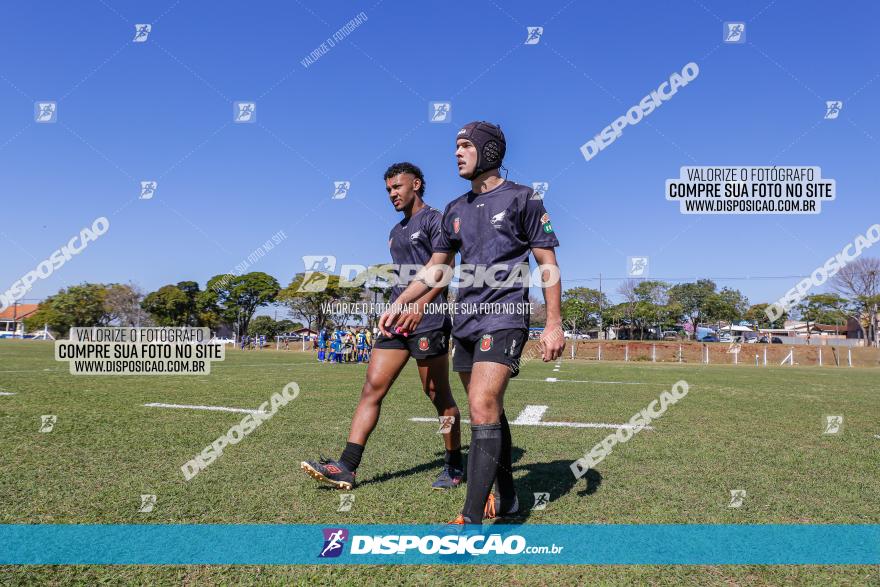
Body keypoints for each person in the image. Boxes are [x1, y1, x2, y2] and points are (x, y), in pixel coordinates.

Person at [379, 122, 565, 524]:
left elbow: (547, 265)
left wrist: (553, 323)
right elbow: (436, 267)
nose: (457, 153)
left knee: (481, 405)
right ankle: (510, 498)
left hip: (505, 317)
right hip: (464, 322)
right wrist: (402, 302)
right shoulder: (454, 210)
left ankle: (470, 520)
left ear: (489, 150)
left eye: (465, 145)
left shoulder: (524, 198)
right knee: (489, 410)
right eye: (456, 146)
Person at [301, 162, 463, 490]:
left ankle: (455, 464)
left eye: (397, 187)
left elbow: (445, 268)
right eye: (388, 189)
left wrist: (419, 304)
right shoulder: (395, 231)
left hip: (427, 318)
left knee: (436, 393)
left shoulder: (436, 219)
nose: (392, 194)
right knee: (372, 387)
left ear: (416, 184)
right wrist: (393, 309)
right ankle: (347, 467)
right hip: (395, 320)